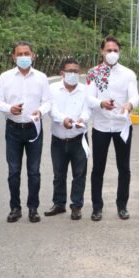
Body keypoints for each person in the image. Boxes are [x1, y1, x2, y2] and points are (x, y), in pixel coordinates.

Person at [0, 41, 52, 224]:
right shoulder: (5, 77)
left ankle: (33, 208)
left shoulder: (41, 77)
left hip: (34, 128)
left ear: (33, 55)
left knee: (34, 171)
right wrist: (10, 108)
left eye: (27, 53)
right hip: (13, 128)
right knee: (14, 171)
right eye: (19, 54)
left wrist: (40, 112)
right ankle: (15, 208)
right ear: (13, 57)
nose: (23, 57)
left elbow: (48, 101)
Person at [86, 36, 139, 221]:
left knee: (123, 167)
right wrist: (101, 103)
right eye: (108, 50)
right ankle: (97, 207)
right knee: (98, 168)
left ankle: (122, 206)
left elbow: (135, 97)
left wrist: (129, 106)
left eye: (115, 50)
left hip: (121, 126)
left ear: (119, 52)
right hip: (101, 126)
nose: (112, 53)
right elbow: (89, 98)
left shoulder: (128, 73)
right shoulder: (94, 72)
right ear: (102, 52)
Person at [48, 58, 91, 220]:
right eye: (69, 71)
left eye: (76, 71)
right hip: (58, 138)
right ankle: (59, 204)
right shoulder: (52, 89)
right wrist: (63, 119)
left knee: (79, 174)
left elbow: (88, 110)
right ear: (62, 73)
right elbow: (51, 109)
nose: (73, 74)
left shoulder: (85, 90)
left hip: (79, 138)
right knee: (58, 174)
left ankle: (76, 206)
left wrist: (82, 120)